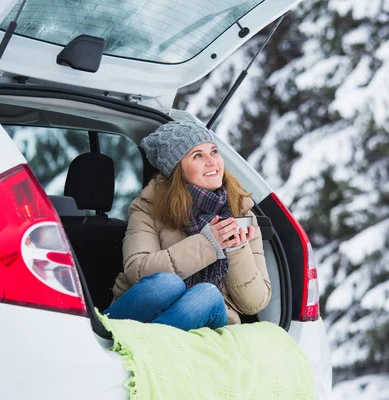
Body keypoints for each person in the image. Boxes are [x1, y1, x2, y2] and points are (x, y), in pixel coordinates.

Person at [104, 120, 271, 331]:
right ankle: (143, 344)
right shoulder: (148, 208)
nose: (212, 162)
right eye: (198, 155)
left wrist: (236, 249)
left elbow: (254, 303)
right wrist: (207, 244)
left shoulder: (241, 210)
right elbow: (137, 272)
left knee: (207, 294)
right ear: (176, 169)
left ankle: (142, 348)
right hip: (141, 312)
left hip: (206, 317)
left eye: (214, 152)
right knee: (167, 284)